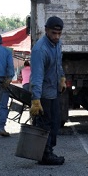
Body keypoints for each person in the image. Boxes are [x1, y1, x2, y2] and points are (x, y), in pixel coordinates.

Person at [29, 16, 66, 165]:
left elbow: (58, 63)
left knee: (55, 123)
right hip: (43, 94)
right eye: (53, 33)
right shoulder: (40, 50)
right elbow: (37, 77)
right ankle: (45, 155)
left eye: (59, 34)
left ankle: (49, 150)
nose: (56, 37)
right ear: (46, 30)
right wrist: (36, 100)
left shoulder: (57, 44)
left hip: (53, 91)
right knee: (45, 124)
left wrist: (62, 77)